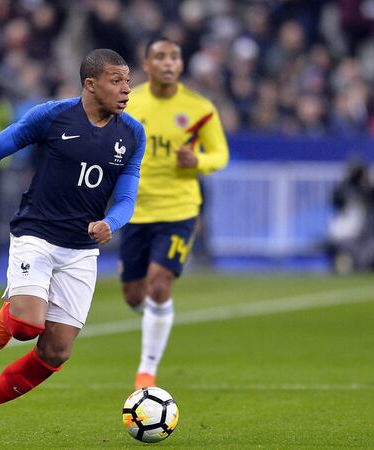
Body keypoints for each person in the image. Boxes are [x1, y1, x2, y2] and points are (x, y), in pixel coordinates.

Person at [0, 48, 144, 442]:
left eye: (128, 82)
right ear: (90, 84)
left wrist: (111, 222)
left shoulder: (133, 132)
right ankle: (11, 314)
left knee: (56, 353)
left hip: (81, 251)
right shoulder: (51, 116)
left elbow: (126, 197)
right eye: (116, 81)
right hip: (36, 234)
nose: (125, 90)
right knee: (26, 327)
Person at [119, 37, 229, 390]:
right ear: (147, 64)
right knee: (134, 295)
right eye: (160, 57)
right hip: (135, 210)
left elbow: (220, 154)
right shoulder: (129, 103)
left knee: (160, 283)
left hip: (180, 209)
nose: (168, 63)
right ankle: (156, 317)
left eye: (174, 57)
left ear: (181, 66)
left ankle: (146, 370)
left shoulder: (199, 108)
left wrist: (199, 161)